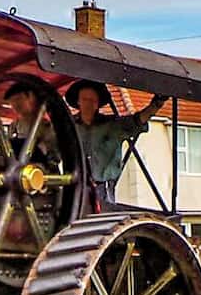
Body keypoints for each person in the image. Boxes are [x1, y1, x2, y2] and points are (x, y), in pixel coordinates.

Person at [65, 80, 166, 208]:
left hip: (103, 189)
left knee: (104, 223)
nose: (89, 104)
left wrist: (156, 104)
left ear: (98, 104)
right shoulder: (68, 127)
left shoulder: (113, 126)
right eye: (85, 99)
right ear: (78, 102)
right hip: (76, 187)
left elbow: (138, 120)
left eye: (93, 100)